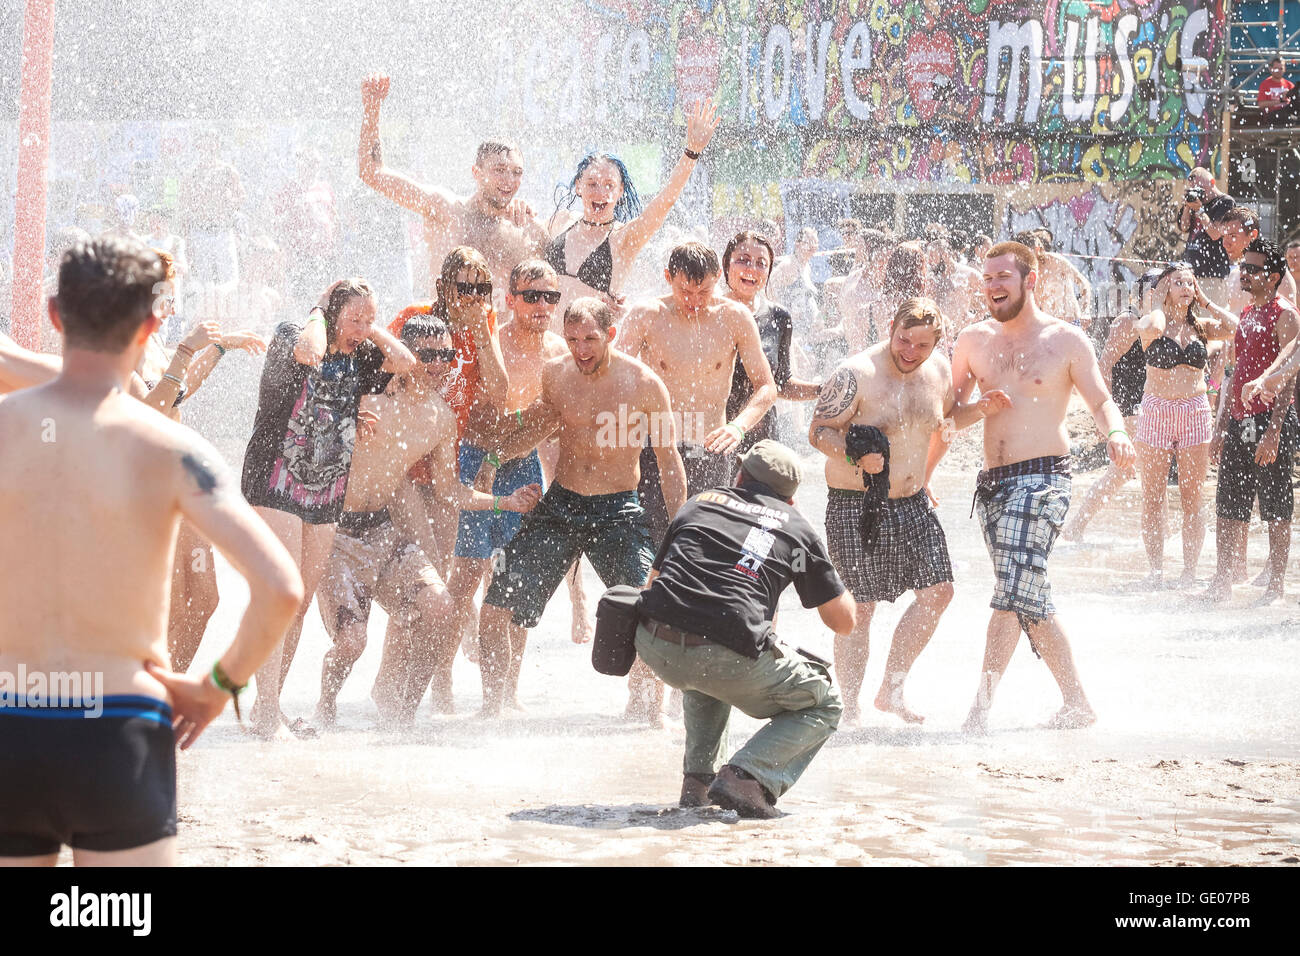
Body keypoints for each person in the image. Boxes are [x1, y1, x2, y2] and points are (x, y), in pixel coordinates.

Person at [0, 236, 302, 866]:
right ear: (154, 323)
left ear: (55, 315)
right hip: (119, 727)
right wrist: (218, 685)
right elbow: (280, 587)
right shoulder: (170, 448)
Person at [311, 314, 540, 728]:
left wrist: (504, 501)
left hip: (381, 529)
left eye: (446, 355)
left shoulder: (439, 418)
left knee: (440, 608)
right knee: (350, 642)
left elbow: (450, 490)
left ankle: (404, 716)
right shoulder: (368, 396)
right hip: (335, 532)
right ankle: (324, 709)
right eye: (428, 354)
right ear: (405, 354)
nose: (438, 365)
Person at [951, 241, 1135, 734]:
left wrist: (1116, 434)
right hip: (992, 486)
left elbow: (1100, 401)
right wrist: (978, 412)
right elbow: (948, 416)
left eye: (1002, 278)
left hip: (1046, 479)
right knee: (1024, 591)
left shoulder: (1067, 340)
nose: (992, 287)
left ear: (1029, 280)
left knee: (1012, 587)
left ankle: (979, 712)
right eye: (987, 279)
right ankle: (1076, 703)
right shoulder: (972, 341)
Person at [476, 297, 687, 718]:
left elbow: (668, 461)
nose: (581, 349)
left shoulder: (644, 384)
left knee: (650, 608)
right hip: (563, 503)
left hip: (617, 509)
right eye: (572, 339)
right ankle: (492, 710)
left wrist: (681, 530)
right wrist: (494, 457)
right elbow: (537, 425)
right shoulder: (555, 375)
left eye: (591, 338)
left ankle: (645, 714)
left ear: (610, 334)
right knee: (496, 605)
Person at [809, 297, 1008, 724]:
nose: (909, 351)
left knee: (939, 592)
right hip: (855, 504)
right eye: (903, 339)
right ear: (891, 326)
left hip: (914, 502)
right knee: (859, 608)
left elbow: (943, 423)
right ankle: (849, 708)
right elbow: (817, 432)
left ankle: (892, 690)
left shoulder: (937, 371)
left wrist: (981, 410)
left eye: (921, 345)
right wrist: (854, 457)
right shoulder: (855, 373)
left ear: (937, 343)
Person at [635, 439, 855, 818]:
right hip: (723, 655)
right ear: (790, 498)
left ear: (739, 476)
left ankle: (698, 784)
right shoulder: (795, 527)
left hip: (655, 644)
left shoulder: (699, 503)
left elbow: (654, 584)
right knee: (826, 702)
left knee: (707, 655)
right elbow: (844, 622)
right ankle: (747, 776)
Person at [241, 278, 416, 737]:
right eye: (353, 318)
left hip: (324, 490)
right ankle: (263, 714)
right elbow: (309, 352)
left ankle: (270, 705)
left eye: (369, 318)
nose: (361, 328)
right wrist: (320, 308)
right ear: (330, 312)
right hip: (275, 479)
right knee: (278, 594)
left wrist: (369, 328)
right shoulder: (292, 334)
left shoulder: (359, 357)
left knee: (295, 604)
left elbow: (406, 361)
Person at [437, 260, 578, 710]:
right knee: (464, 581)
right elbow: (462, 405)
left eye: (550, 297)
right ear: (510, 299)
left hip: (521, 469)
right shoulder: (490, 342)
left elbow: (551, 419)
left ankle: (503, 696)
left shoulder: (559, 353)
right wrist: (484, 459)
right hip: (474, 462)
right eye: (532, 296)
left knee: (513, 583)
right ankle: (440, 683)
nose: (542, 305)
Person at [358, 73, 547, 307]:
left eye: (516, 172)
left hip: (496, 342)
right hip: (442, 338)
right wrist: (372, 107)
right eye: (499, 169)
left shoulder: (525, 229)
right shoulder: (445, 209)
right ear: (476, 173)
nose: (509, 180)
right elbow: (373, 173)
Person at [1120, 263, 1239, 586]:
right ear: (1164, 289)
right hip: (1157, 409)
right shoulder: (1149, 322)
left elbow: (1235, 327)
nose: (1186, 287)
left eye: (1190, 282)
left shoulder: (1201, 326)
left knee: (1192, 497)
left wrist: (1206, 301)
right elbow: (1156, 326)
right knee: (1153, 496)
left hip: (1195, 411)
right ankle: (1156, 570)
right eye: (1178, 283)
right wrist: (1159, 300)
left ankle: (1189, 571)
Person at [546, 99, 719, 318]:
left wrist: (691, 153)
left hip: (591, 347)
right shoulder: (561, 221)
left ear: (620, 192)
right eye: (592, 184)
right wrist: (517, 207)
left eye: (609, 185)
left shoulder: (624, 238)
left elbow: (665, 202)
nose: (600, 193)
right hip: (548, 345)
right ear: (578, 185)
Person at [1203, 238, 1299, 605]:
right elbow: (1236, 372)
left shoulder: (1285, 313)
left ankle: (1276, 583)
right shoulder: (1246, 312)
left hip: (1271, 420)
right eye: (1244, 267)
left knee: (1276, 506)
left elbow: (1289, 377)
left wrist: (1274, 431)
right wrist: (1221, 424)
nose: (1244, 273)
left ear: (1273, 276)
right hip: (1239, 419)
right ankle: (1222, 580)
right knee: (1229, 504)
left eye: (1253, 269)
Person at [1062, 269, 1160, 541]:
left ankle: (1078, 528)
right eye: (1159, 290)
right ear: (1146, 294)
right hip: (1128, 407)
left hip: (1145, 405)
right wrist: (1104, 415)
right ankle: (1077, 528)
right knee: (1124, 473)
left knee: (1126, 473)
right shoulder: (1128, 320)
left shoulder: (1156, 321)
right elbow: (1104, 365)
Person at [721, 230, 821, 451]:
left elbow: (781, 384)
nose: (751, 269)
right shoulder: (711, 313)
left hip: (762, 439)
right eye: (743, 260)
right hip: (720, 435)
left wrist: (822, 390)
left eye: (761, 263)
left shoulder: (779, 317)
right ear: (727, 264)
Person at [180, 128, 246, 289]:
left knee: (229, 279)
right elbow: (185, 204)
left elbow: (242, 196)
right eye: (204, 143)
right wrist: (187, 237)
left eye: (212, 143)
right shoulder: (193, 173)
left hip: (223, 231)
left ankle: (228, 310)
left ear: (217, 146)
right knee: (203, 281)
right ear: (199, 147)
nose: (208, 147)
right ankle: (206, 311)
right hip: (200, 231)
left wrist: (229, 203)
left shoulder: (226, 170)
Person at [1178, 168, 1235, 306]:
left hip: (1213, 274)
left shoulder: (1225, 202)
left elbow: (1215, 234)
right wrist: (1187, 206)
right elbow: (1184, 227)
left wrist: (1200, 210)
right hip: (1192, 273)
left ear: (1212, 182)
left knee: (1210, 320)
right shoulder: (1195, 203)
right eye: (1194, 189)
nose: (1199, 193)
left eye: (1200, 188)